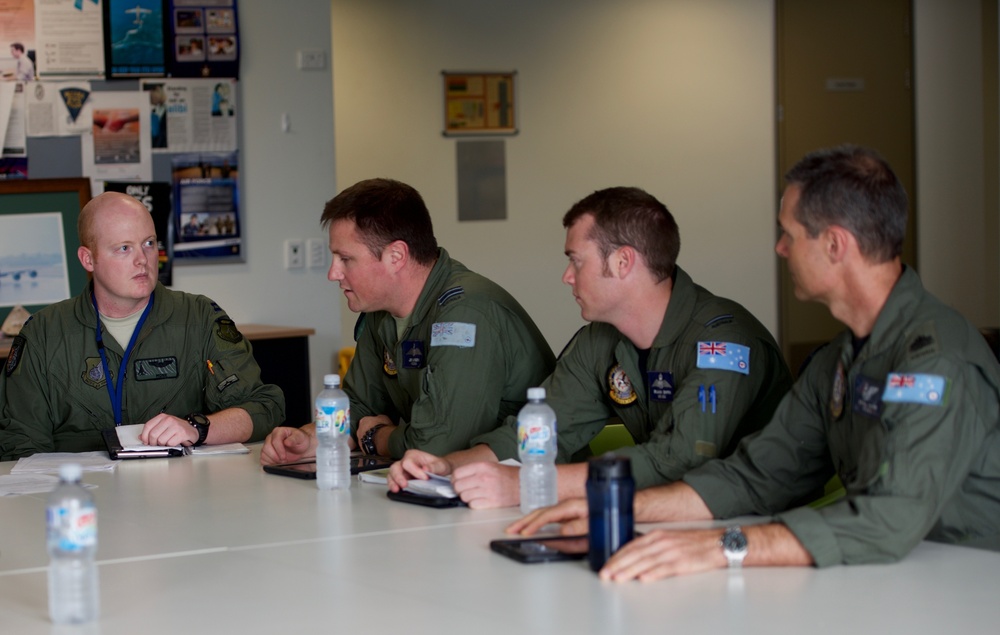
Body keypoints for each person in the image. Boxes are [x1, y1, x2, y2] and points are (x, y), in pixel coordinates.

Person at [509, 146, 1000, 581]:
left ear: (834, 245)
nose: (779, 248)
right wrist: (615, 509)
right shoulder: (838, 360)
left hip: (969, 584)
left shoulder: (935, 358)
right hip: (892, 576)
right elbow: (759, 475)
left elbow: (891, 516)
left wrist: (727, 546)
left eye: (789, 234)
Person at [388, 186, 792, 508]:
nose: (567, 276)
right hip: (665, 516)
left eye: (576, 261)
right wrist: (446, 467)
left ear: (622, 263)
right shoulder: (601, 340)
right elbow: (538, 433)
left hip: (758, 522)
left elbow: (683, 457)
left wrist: (525, 484)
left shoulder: (724, 342)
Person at [260, 178, 554, 464]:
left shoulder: (466, 315)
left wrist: (378, 437)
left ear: (396, 255)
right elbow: (359, 404)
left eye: (345, 259)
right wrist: (312, 438)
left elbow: (438, 445)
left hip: (529, 485)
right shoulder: (381, 313)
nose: (333, 273)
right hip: (455, 486)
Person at [0, 192, 285, 459]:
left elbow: (264, 408)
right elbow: (19, 442)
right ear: (88, 259)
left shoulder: (198, 318)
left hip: (181, 495)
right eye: (124, 248)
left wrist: (198, 429)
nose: (143, 260)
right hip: (82, 496)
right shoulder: (44, 333)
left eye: (149, 243)